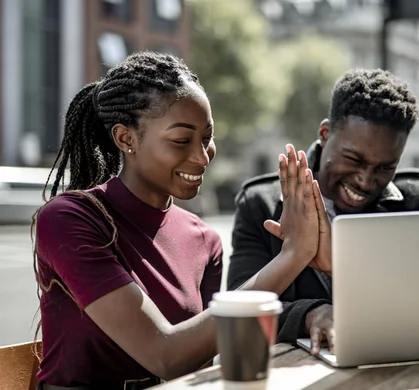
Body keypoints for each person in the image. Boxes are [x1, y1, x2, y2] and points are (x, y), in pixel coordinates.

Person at [33, 51, 322, 390]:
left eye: (207, 138)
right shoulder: (70, 218)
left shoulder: (204, 239)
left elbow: (195, 368)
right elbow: (166, 356)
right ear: (126, 138)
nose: (202, 157)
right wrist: (293, 255)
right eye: (182, 140)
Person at [227, 68, 419, 354]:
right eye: (354, 159)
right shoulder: (261, 205)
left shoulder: (417, 202)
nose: (366, 181)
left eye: (385, 167)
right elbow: (240, 307)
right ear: (325, 133)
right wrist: (310, 314)